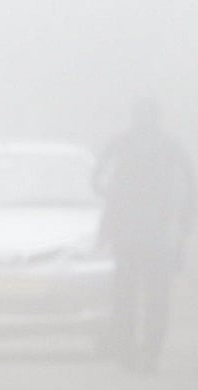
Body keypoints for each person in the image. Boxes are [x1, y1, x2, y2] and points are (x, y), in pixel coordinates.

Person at [93, 97, 194, 373]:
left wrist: (114, 200)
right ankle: (149, 351)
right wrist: (182, 227)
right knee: (156, 296)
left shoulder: (122, 143)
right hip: (158, 234)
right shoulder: (170, 146)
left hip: (127, 233)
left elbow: (96, 179)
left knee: (124, 294)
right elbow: (189, 188)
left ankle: (127, 350)